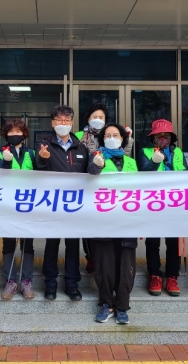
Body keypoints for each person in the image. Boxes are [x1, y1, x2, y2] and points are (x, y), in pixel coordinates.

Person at [37, 105, 90, 301]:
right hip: (52, 204)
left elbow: (88, 174)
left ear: (72, 123)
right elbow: (37, 171)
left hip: (75, 205)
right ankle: (50, 283)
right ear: (53, 123)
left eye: (67, 120)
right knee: (51, 245)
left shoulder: (81, 148)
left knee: (73, 246)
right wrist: (43, 160)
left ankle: (71, 284)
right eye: (59, 120)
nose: (63, 123)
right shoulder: (44, 145)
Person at [88, 123, 138, 325]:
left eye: (115, 135)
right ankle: (106, 304)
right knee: (104, 266)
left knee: (126, 266)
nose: (111, 138)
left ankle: (122, 306)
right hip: (103, 221)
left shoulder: (131, 162)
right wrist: (96, 166)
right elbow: (90, 176)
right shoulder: (97, 158)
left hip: (128, 221)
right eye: (107, 135)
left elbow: (141, 191)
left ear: (123, 139)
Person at [75, 103, 134, 274]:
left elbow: (123, 158)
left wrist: (128, 140)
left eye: (101, 117)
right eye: (94, 117)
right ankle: (91, 257)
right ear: (88, 119)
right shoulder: (78, 136)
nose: (98, 120)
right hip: (87, 180)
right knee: (89, 225)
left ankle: (103, 258)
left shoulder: (110, 134)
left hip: (109, 189)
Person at [138, 119, 188, 297]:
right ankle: (155, 275)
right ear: (152, 137)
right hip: (153, 202)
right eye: (159, 135)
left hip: (175, 202)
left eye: (166, 135)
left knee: (173, 241)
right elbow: (141, 175)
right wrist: (153, 162)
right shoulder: (144, 152)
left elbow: (187, 175)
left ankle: (172, 276)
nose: (162, 138)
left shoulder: (178, 152)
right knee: (153, 240)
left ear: (171, 137)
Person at [0, 118, 36, 300]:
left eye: (18, 131)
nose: (15, 135)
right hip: (8, 204)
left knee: (27, 242)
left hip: (28, 204)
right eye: (11, 132)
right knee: (9, 242)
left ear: (24, 134)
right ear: (6, 134)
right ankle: (10, 280)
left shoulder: (33, 153)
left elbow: (41, 175)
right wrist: (6, 162)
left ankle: (26, 281)